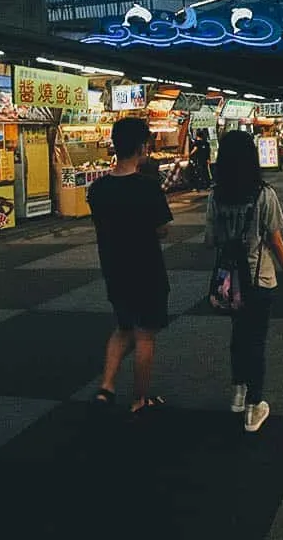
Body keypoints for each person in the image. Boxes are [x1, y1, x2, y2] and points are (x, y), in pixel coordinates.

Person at [205, 130, 283, 433]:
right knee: (256, 340)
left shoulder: (216, 195)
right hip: (259, 278)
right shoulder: (263, 194)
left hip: (229, 279)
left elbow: (211, 239)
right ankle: (254, 407)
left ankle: (239, 391)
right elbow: (275, 238)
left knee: (238, 336)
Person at [88, 117, 173, 415]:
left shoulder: (97, 190)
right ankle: (140, 399)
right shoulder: (147, 187)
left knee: (122, 327)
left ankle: (106, 387)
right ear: (141, 146)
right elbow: (163, 229)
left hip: (114, 267)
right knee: (145, 334)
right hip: (147, 268)